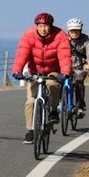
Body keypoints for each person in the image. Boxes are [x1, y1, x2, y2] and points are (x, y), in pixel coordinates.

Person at [11, 12, 72, 143]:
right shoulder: (29, 35)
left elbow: (65, 56)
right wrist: (17, 71)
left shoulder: (60, 36)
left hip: (53, 70)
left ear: (51, 26)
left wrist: (65, 73)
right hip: (35, 72)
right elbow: (22, 54)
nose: (43, 29)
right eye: (40, 26)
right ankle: (30, 130)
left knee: (52, 84)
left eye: (46, 26)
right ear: (36, 26)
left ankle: (54, 110)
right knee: (30, 101)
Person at [65, 17, 89, 117]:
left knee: (79, 83)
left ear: (80, 30)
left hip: (80, 66)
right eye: (72, 30)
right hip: (65, 65)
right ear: (68, 31)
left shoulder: (86, 39)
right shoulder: (64, 39)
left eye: (76, 30)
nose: (74, 33)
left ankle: (80, 106)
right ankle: (60, 103)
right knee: (58, 82)